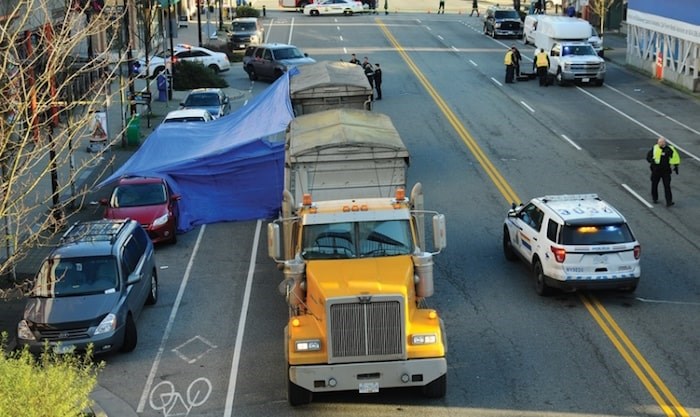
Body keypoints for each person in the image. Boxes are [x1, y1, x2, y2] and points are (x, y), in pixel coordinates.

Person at [646, 137, 680, 206]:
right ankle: (654, 198)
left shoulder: (669, 149)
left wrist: (676, 166)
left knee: (667, 186)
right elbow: (648, 156)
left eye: (661, 142)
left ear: (664, 142)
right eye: (658, 142)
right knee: (654, 184)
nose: (659, 144)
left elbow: (675, 157)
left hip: (666, 171)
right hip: (656, 170)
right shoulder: (655, 148)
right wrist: (651, 161)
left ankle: (669, 201)